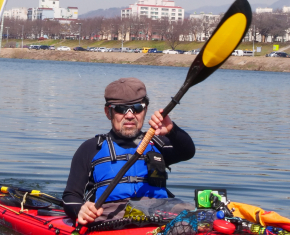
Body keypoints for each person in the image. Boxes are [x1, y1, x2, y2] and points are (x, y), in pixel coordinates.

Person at [62, 77, 195, 225]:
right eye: (121, 109)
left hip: (160, 216)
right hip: (110, 221)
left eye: (137, 108)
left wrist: (172, 130)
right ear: (108, 112)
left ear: (145, 110)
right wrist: (81, 209)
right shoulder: (91, 149)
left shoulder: (159, 143)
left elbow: (188, 152)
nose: (130, 115)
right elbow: (71, 196)